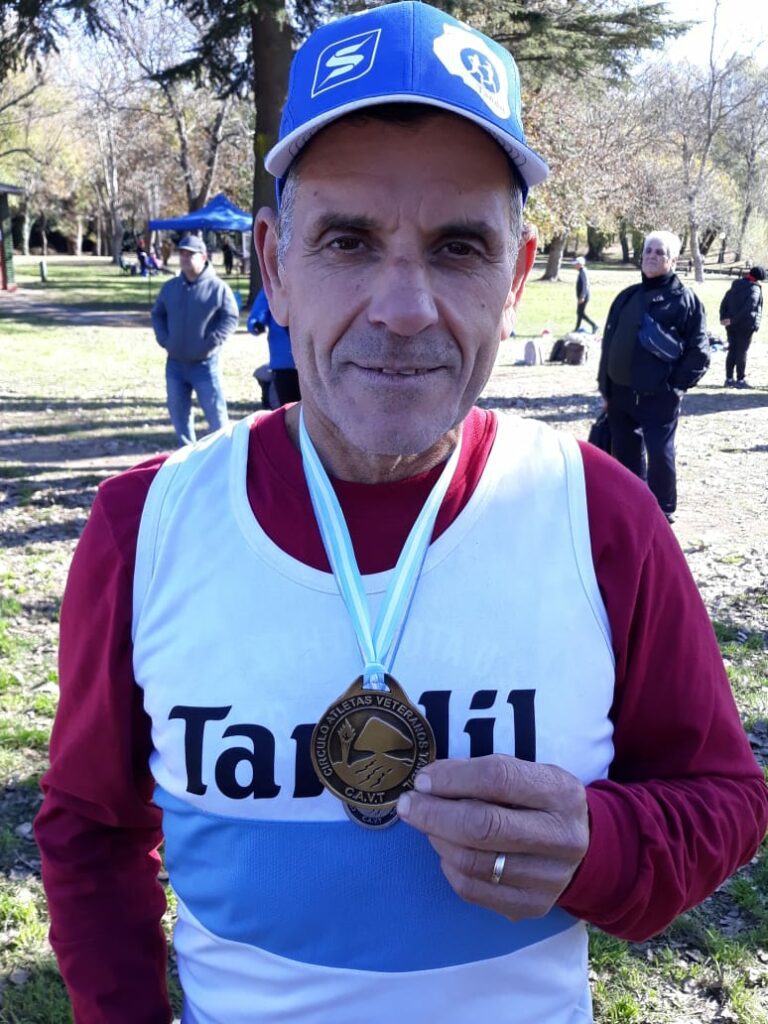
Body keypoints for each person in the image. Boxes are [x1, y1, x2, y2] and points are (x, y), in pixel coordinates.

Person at [35, 5, 767, 1024]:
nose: (403, 306)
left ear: (517, 277)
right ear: (274, 264)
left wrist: (605, 846)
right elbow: (88, 827)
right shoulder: (143, 525)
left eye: (460, 246)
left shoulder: (602, 518)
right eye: (347, 238)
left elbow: (724, 798)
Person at [597, 231, 710, 523]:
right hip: (621, 396)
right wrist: (606, 391)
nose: (652, 256)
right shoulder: (627, 297)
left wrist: (675, 388)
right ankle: (634, 506)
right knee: (626, 454)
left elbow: (699, 353)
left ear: (672, 260)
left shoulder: (685, 301)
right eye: (648, 250)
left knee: (661, 454)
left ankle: (664, 511)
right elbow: (609, 344)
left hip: (659, 398)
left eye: (660, 252)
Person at [150, 233, 239, 446]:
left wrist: (212, 341)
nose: (184, 257)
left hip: (205, 365)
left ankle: (225, 456)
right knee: (178, 414)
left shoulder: (218, 288)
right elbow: (158, 314)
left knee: (216, 417)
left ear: (203, 256)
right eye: (181, 253)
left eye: (190, 254)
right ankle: (187, 457)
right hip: (175, 364)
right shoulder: (170, 287)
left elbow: (231, 317)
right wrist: (165, 339)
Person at [248, 287, 301, 407]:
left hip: (311, 359)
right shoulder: (272, 288)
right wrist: (256, 324)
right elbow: (258, 314)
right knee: (288, 406)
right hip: (284, 361)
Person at [719, 265, 764, 388]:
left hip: (730, 324)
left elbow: (724, 302)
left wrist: (724, 318)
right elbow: (749, 308)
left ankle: (728, 378)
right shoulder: (754, 289)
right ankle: (740, 380)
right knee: (741, 351)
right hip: (745, 325)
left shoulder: (735, 286)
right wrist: (734, 320)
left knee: (732, 350)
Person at [573, 256, 598, 332]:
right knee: (580, 313)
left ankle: (594, 325)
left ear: (580, 264)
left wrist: (582, 297)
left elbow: (585, 285)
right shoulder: (581, 271)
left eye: (576, 264)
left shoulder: (583, 272)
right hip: (581, 296)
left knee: (580, 313)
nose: (575, 266)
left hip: (584, 296)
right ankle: (577, 328)